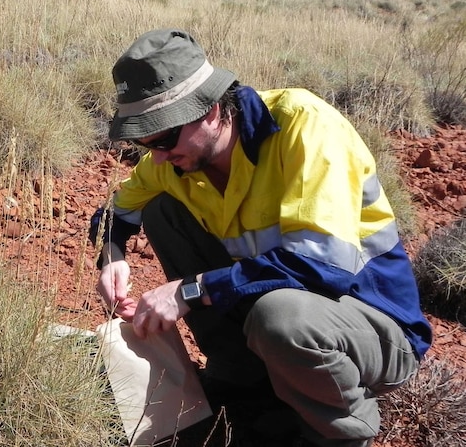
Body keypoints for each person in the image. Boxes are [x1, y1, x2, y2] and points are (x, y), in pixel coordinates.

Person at [89, 29, 432, 447]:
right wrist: (112, 257)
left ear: (212, 110)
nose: (156, 155)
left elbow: (323, 267)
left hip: (370, 326)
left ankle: (340, 435)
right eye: (143, 140)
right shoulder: (172, 161)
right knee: (163, 210)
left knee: (281, 317)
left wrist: (190, 291)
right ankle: (241, 383)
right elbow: (114, 213)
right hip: (274, 322)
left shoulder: (303, 126)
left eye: (161, 138)